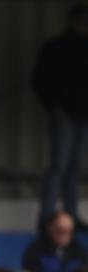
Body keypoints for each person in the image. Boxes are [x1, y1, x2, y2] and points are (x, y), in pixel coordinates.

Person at [32, 3, 88, 222]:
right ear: (72, 21)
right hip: (63, 114)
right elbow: (39, 81)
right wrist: (54, 106)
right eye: (81, 21)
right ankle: (46, 216)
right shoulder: (56, 47)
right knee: (58, 166)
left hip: (83, 115)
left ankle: (71, 215)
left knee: (74, 168)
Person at [23, 210, 88, 272]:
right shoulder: (36, 250)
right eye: (60, 230)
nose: (65, 235)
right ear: (50, 228)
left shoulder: (78, 250)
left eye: (69, 231)